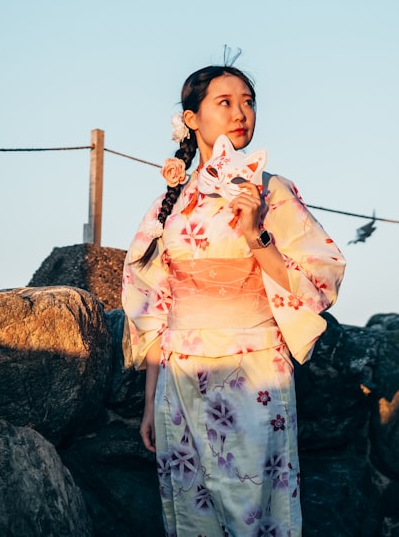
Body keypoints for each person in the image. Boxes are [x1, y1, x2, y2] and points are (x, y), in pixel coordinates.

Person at [122, 62, 346, 537]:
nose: (241, 113)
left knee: (253, 513)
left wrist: (257, 235)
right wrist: (149, 402)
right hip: (180, 376)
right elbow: (152, 303)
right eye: (224, 102)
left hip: (255, 370)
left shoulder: (272, 192)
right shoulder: (172, 201)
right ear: (191, 118)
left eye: (248, 102)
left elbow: (319, 277)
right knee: (192, 516)